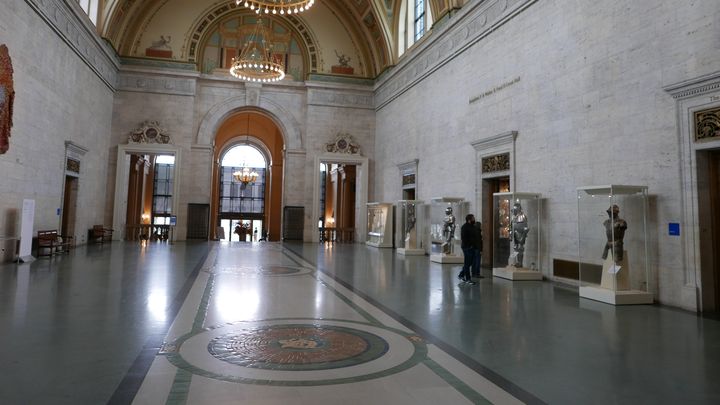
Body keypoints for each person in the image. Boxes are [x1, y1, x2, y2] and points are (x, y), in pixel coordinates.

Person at [459, 214, 480, 285]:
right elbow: (464, 238)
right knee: (467, 263)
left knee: (469, 263)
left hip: (472, 247)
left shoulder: (473, 227)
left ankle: (461, 275)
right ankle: (468, 279)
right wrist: (469, 246)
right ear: (469, 220)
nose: (474, 219)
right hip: (467, 247)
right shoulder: (464, 227)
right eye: (473, 218)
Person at [509, 202, 529, 268]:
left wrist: (524, 235)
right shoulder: (513, 217)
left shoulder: (523, 216)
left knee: (520, 248)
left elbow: (526, 227)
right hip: (515, 234)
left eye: (515, 209)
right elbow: (511, 226)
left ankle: (520, 263)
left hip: (521, 234)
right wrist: (510, 234)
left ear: (518, 209)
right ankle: (517, 262)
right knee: (515, 248)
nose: (514, 211)